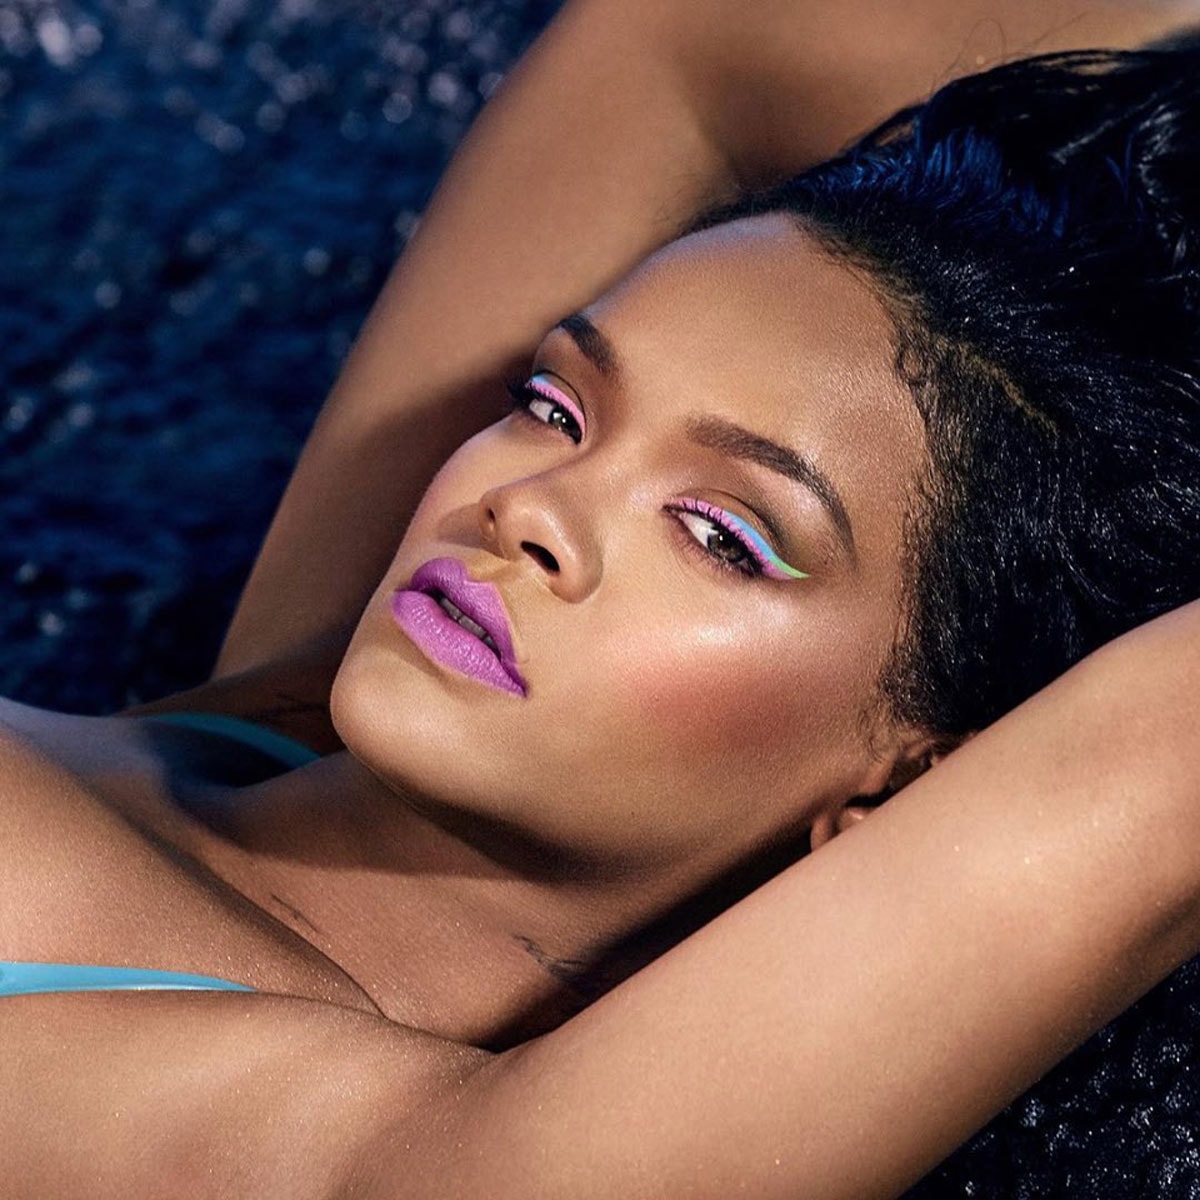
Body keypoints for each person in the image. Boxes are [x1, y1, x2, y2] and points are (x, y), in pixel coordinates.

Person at [3, 9, 1200, 1200]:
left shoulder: (352, 1156)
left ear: (913, 784)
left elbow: (1154, 759)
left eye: (722, 536)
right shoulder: (292, 704)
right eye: (556, 406)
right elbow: (688, 41)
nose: (529, 508)